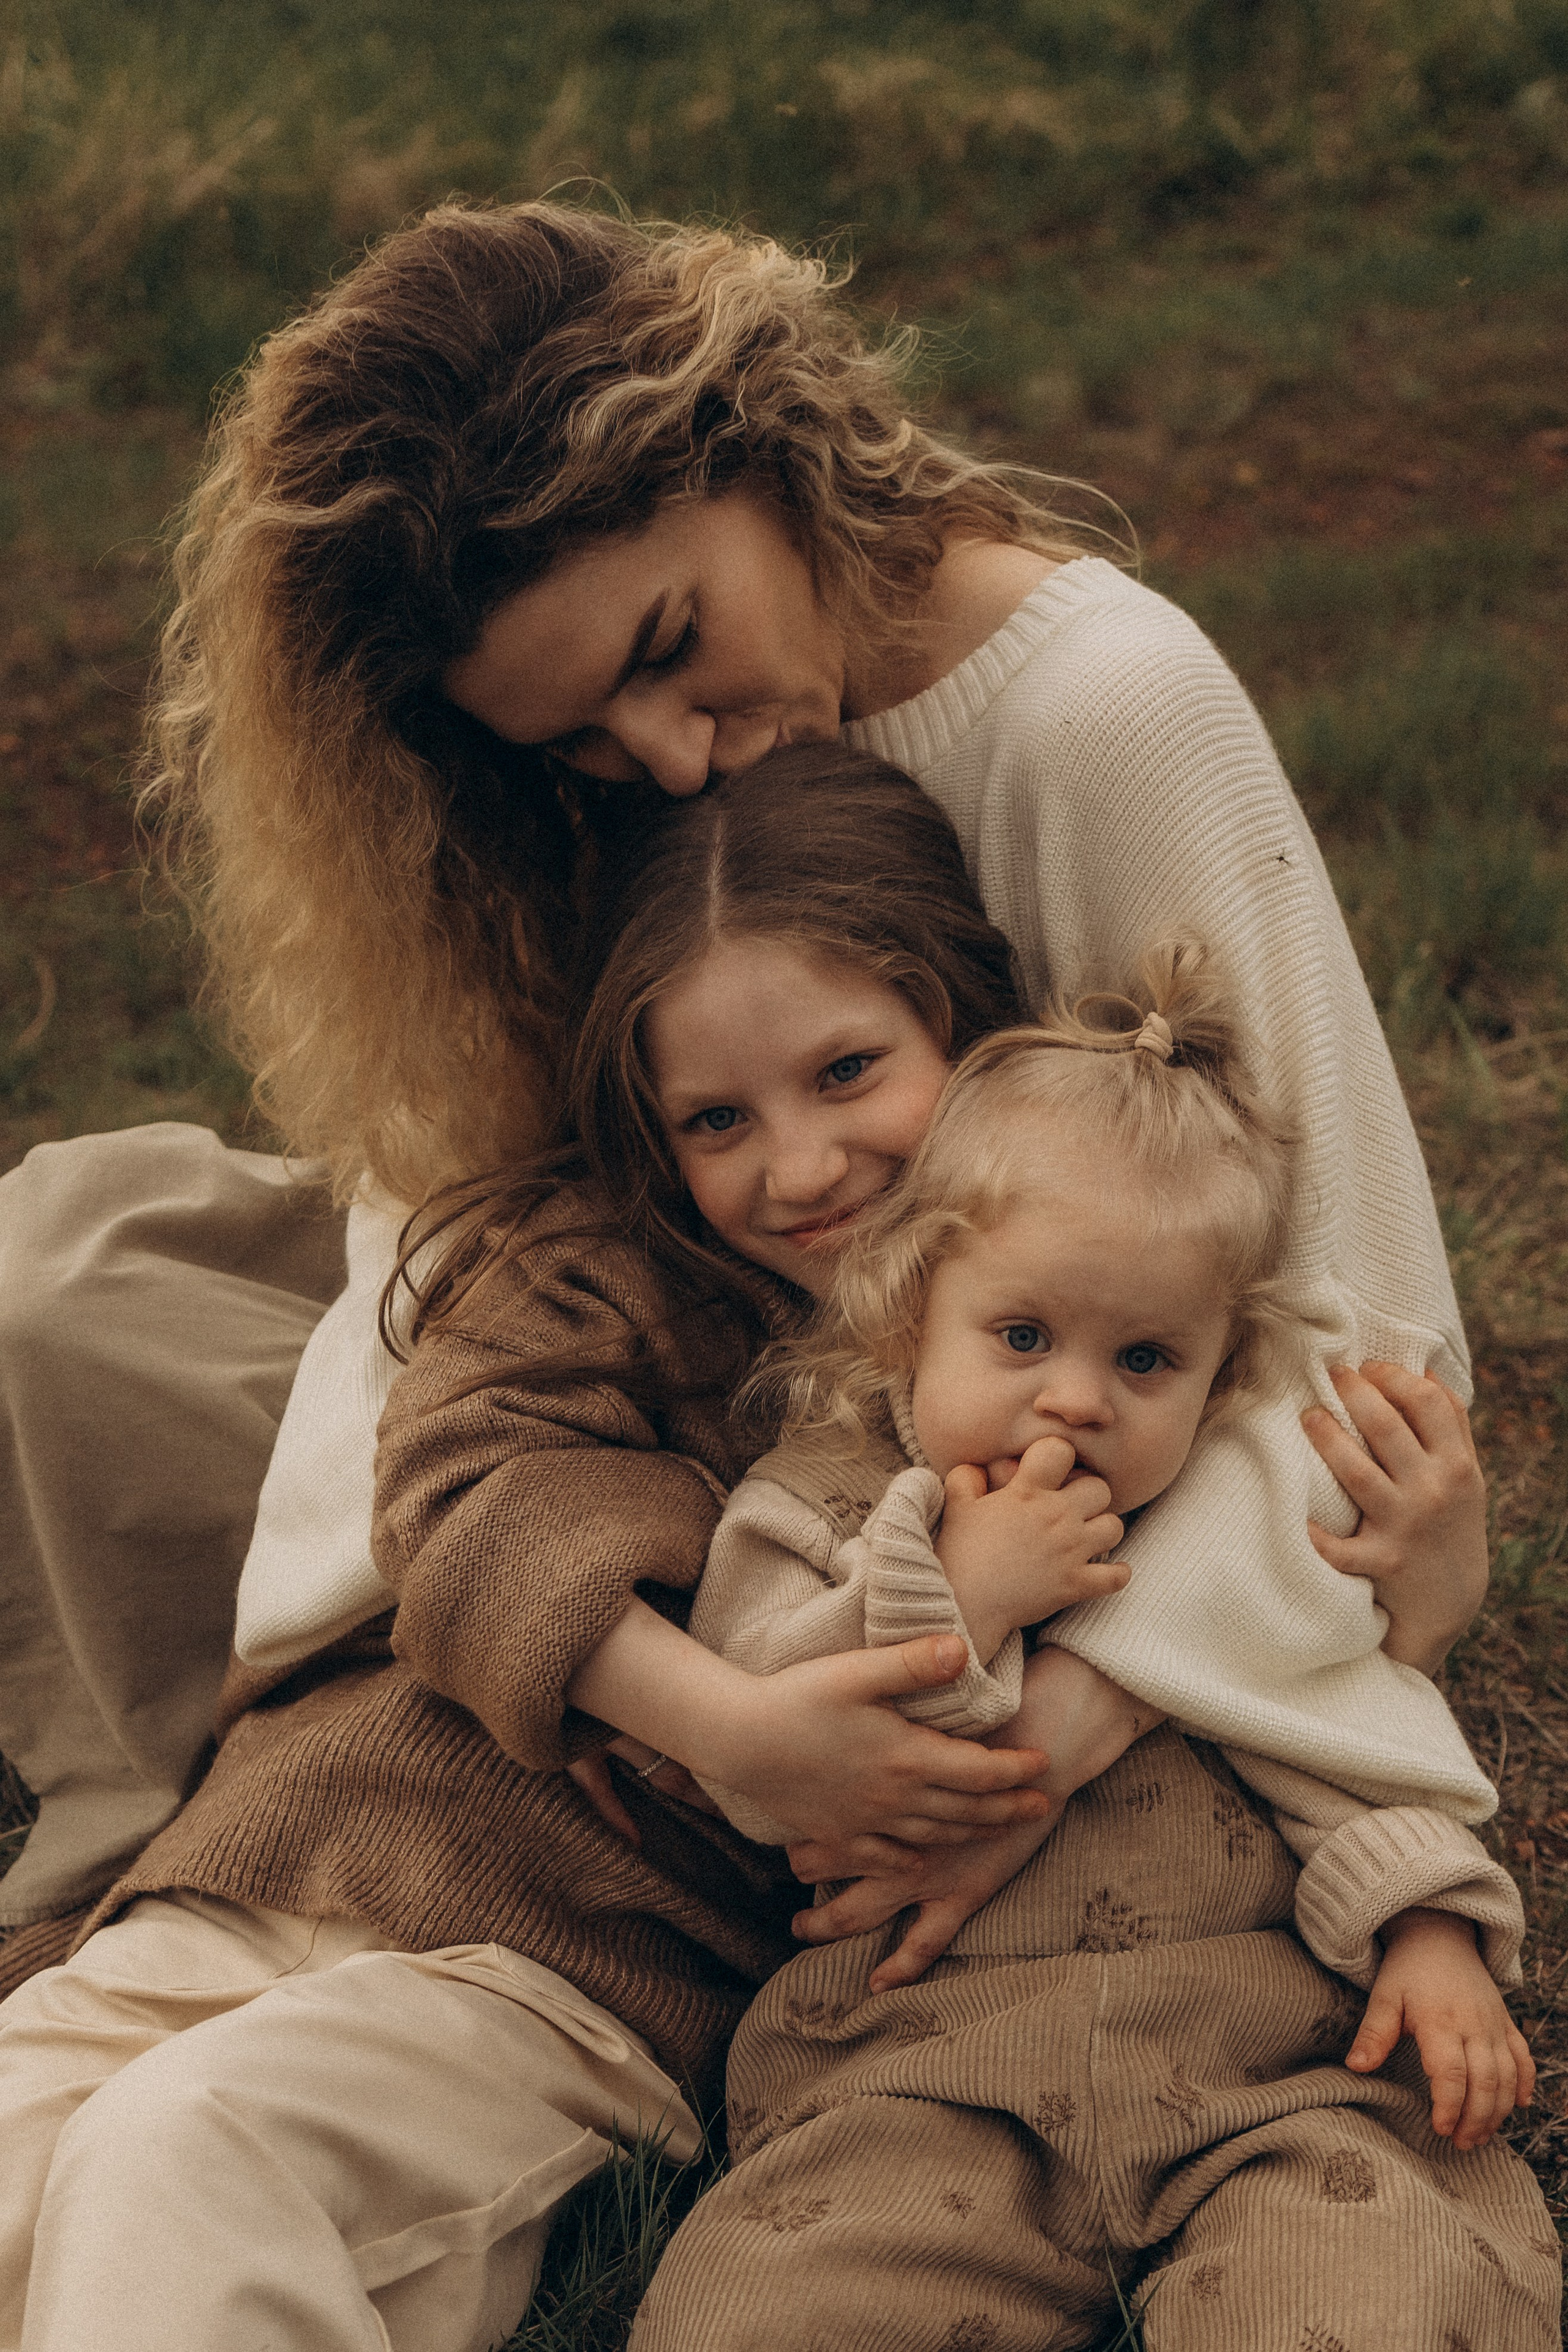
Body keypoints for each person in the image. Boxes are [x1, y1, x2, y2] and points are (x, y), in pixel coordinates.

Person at [0, 195, 1517, 2339]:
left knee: (213, 2128)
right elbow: (481, 1289)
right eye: (580, 751)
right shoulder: (624, 820)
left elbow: (1348, 1344)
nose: (678, 765)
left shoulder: (1094, 710)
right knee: (69, 1271)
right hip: (661, 1421)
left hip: (968, 1446)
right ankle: (214, 1853)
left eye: (664, 651)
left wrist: (1014, 1750)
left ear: (744, 437)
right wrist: (659, 1676)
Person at [627, 933, 1555, 2348]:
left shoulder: (1227, 1531)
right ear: (902, 1311)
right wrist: (963, 1590)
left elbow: (1343, 1726)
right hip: (919, 2072)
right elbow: (756, 1743)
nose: (1073, 1401)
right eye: (1018, 1335)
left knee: (1361, 2277)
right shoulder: (817, 1507)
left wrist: (1426, 1929)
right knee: (762, 2310)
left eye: (1143, 1361)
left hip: (1261, 2066)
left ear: (1214, 1370)